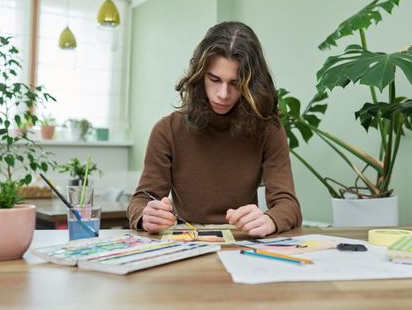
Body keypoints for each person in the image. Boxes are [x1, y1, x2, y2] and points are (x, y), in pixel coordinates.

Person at [127, 21, 302, 237]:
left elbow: (289, 205)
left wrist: (269, 220)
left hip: (242, 243)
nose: (223, 94)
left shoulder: (269, 130)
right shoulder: (167, 130)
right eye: (214, 79)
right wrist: (146, 216)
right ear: (200, 75)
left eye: (235, 83)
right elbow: (141, 200)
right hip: (186, 242)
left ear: (251, 84)